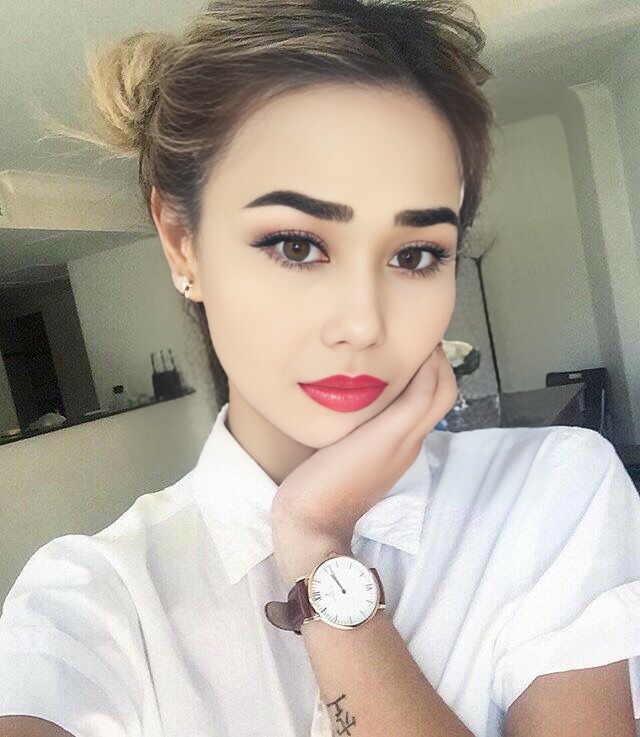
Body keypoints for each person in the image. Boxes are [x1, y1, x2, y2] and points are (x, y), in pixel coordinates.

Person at [1, 1, 639, 735]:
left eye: (415, 254)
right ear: (182, 242)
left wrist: (314, 540)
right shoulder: (89, 602)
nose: (364, 323)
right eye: (297, 245)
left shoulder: (551, 492)